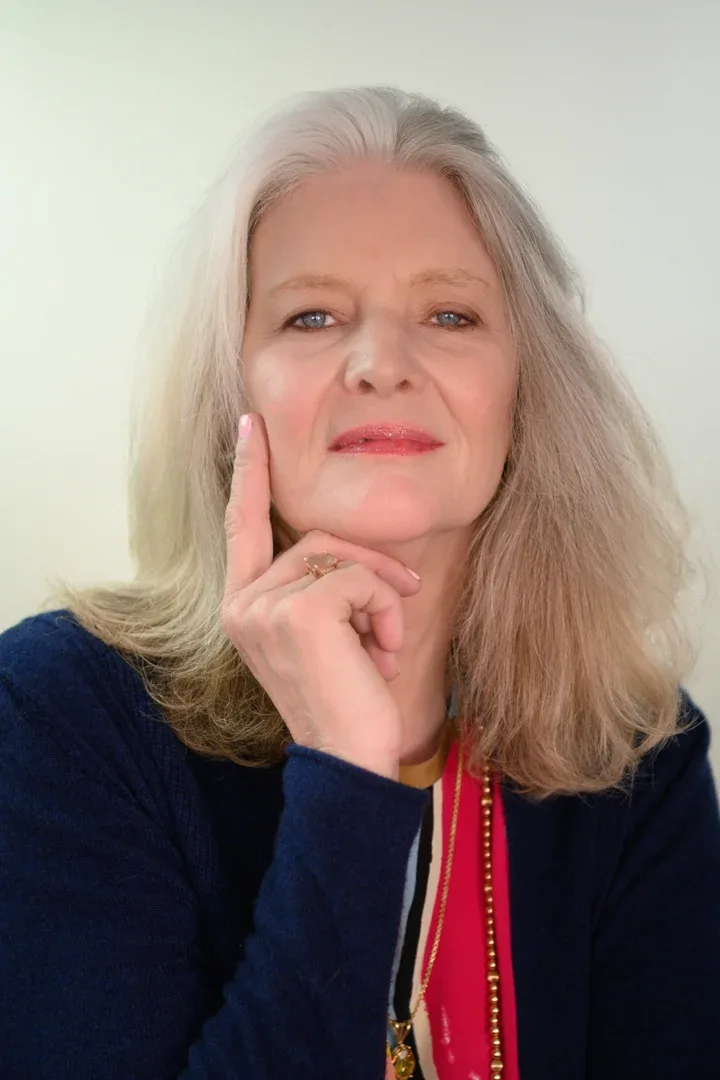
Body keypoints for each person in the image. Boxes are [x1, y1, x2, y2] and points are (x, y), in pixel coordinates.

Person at [1, 85, 718, 1080]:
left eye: (451, 313)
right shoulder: (59, 714)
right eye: (311, 317)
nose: (382, 362)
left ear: (526, 395)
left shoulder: (641, 751)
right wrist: (348, 777)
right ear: (229, 398)